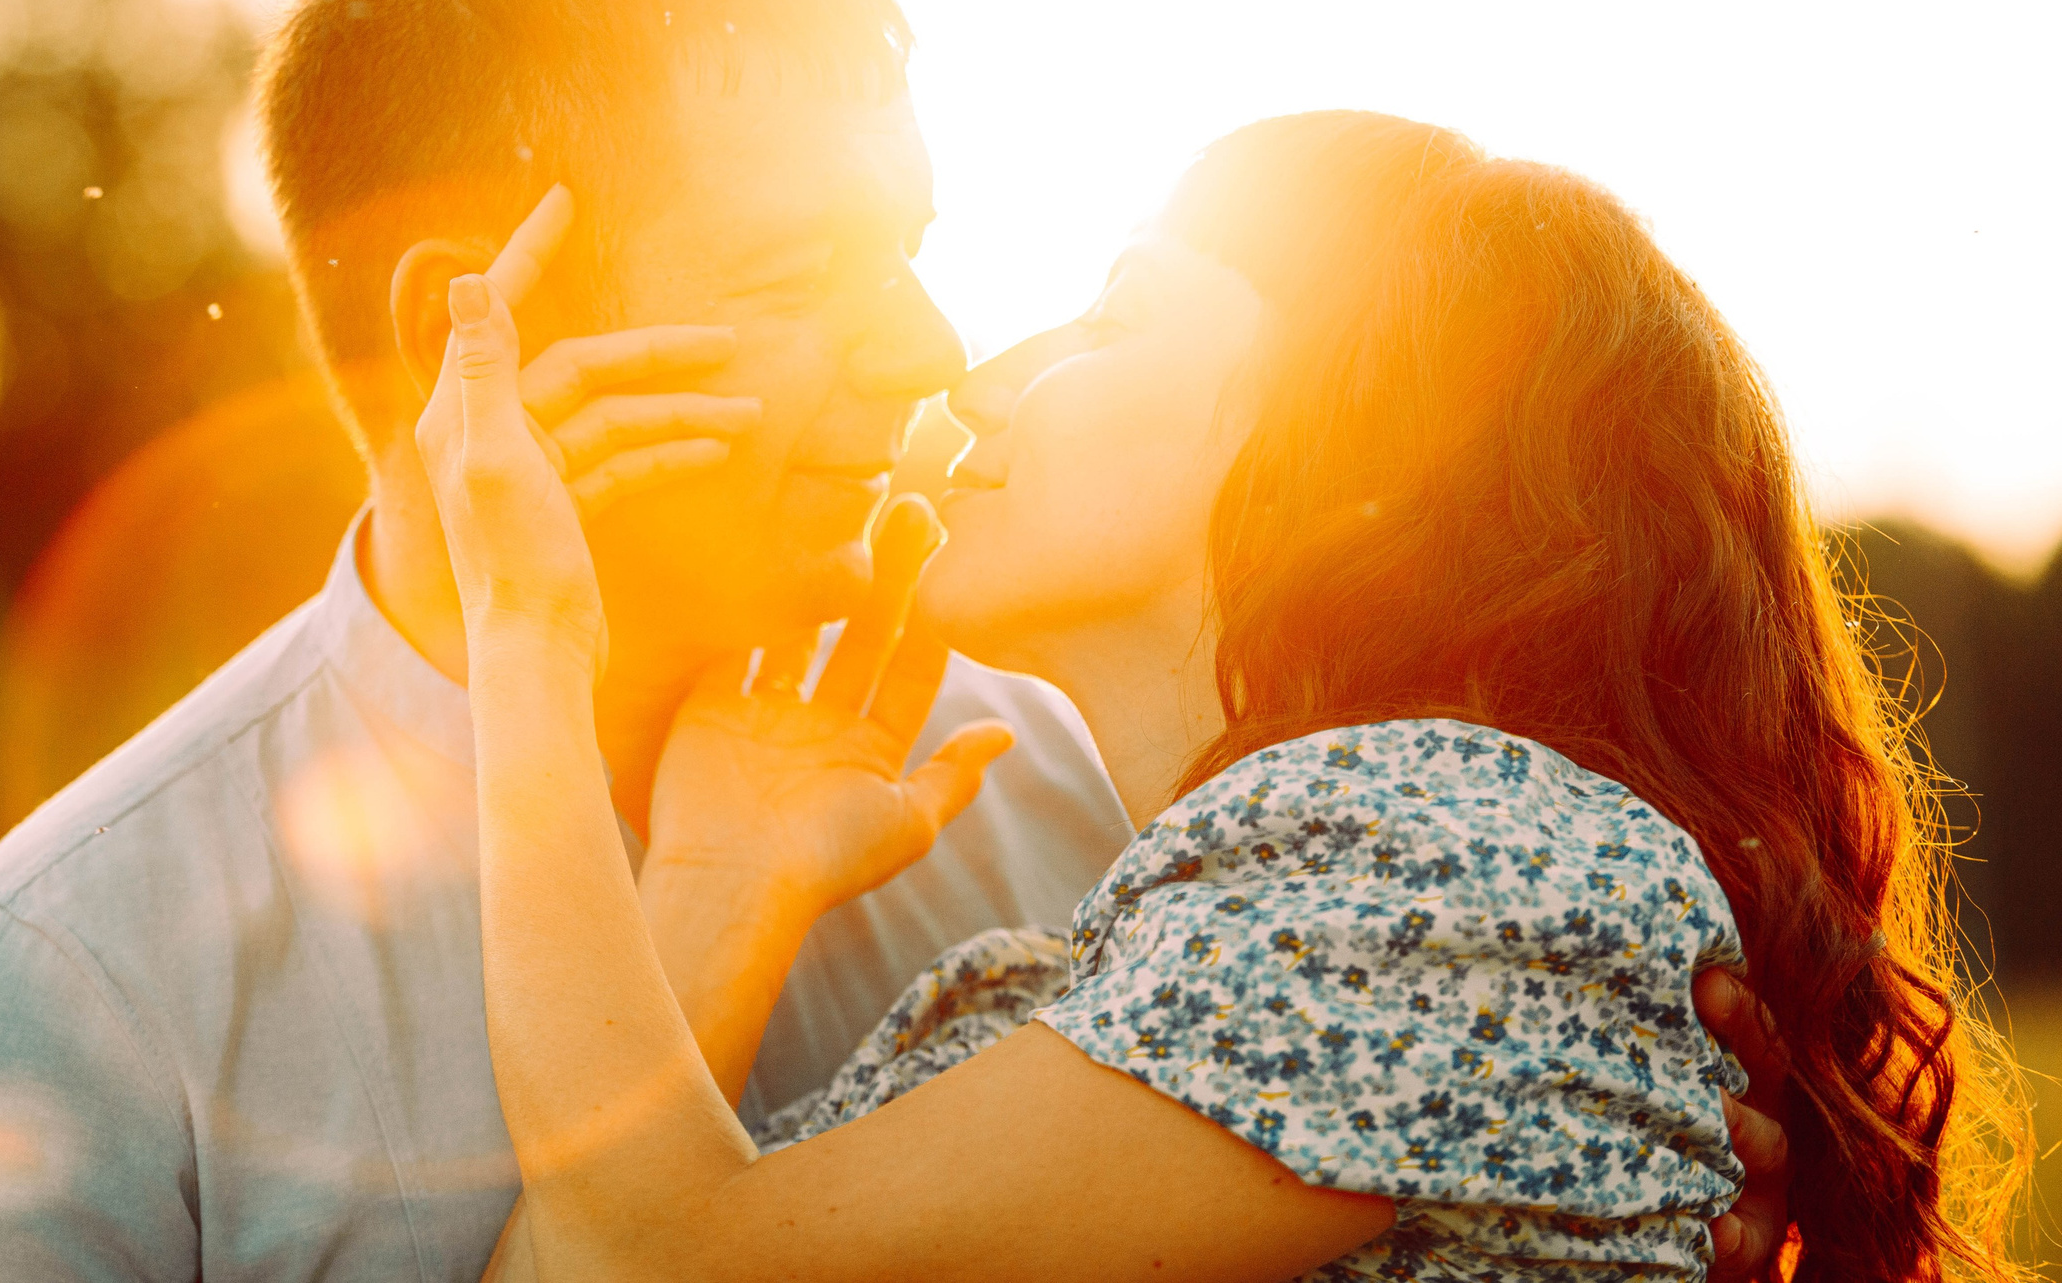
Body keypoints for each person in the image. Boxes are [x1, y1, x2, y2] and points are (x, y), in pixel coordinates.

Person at [0, 0, 1789, 1280]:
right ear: (466, 333)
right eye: (794, 273)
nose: (926, 351)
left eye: (911, 246)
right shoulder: (64, 978)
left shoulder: (1086, 802)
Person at [423, 113, 2029, 1280]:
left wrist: (528, 628)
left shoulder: (1461, 874)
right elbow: (609, 1257)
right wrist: (719, 880)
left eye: (1117, 314)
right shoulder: (1111, 984)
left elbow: (679, 1249)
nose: (971, 379)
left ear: (1364, 469)